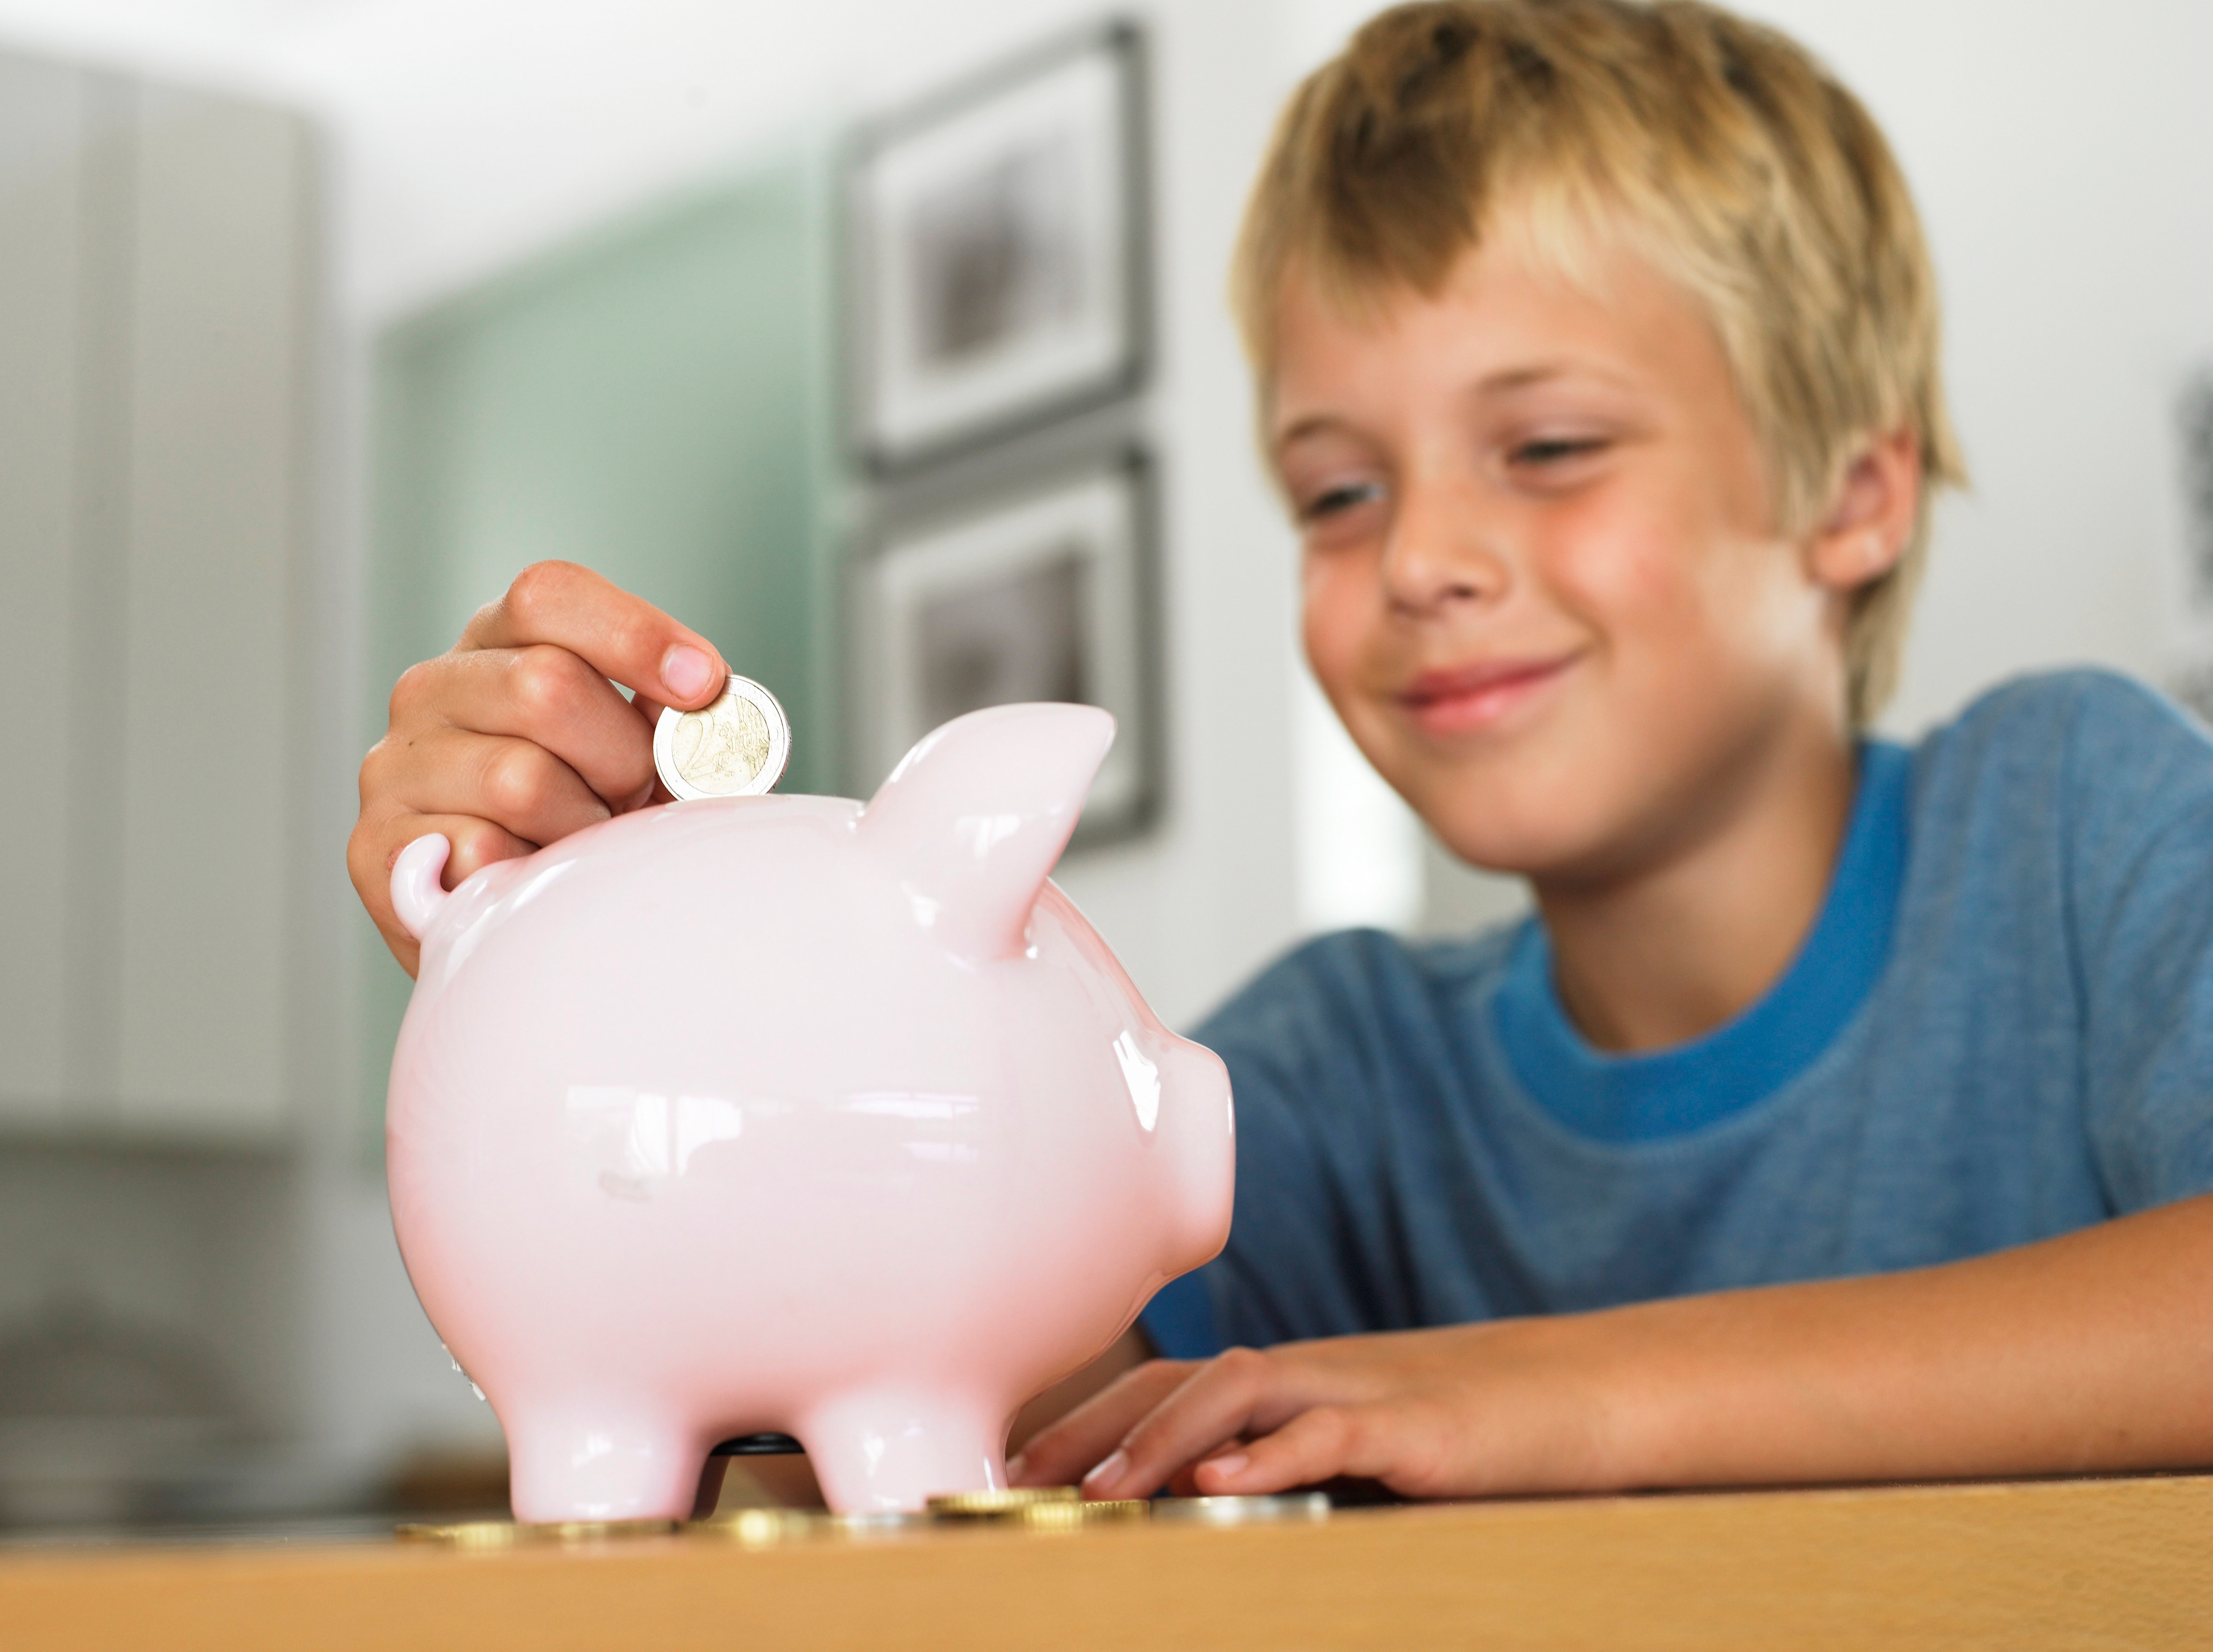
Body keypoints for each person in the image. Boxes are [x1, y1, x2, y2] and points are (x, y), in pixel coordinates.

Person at [351, 0, 2213, 1506]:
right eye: (1335, 489)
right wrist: (597, 992)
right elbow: (976, 1442)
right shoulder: (1329, 1071)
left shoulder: (2075, 820)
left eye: (1548, 446)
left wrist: (1535, 1405)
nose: (1416, 560)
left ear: (1852, 493)